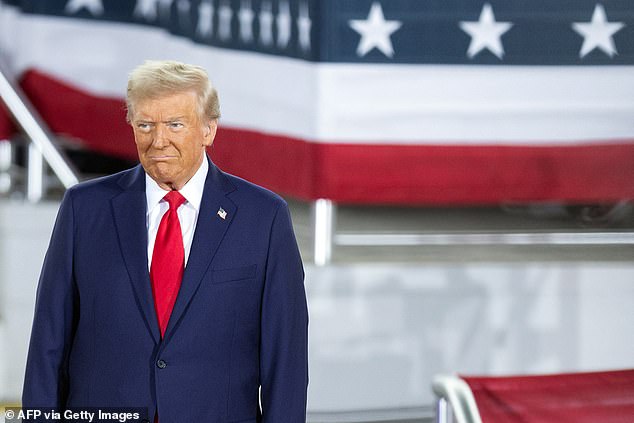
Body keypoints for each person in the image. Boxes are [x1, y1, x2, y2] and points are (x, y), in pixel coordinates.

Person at [22, 60, 309, 422]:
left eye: (175, 124)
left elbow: (287, 361)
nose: (158, 140)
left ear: (209, 129)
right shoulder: (84, 209)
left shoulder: (263, 217)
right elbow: (49, 342)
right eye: (145, 125)